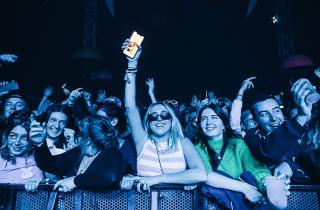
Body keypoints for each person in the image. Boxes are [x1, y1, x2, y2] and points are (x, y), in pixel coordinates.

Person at [120, 38, 207, 191]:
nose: (159, 119)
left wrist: (156, 179)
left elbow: (201, 174)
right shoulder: (143, 142)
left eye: (164, 115)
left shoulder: (183, 143)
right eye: (153, 116)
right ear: (148, 122)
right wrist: (132, 64)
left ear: (171, 120)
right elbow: (130, 107)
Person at [194, 103, 288, 209]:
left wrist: (268, 186)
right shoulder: (197, 147)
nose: (209, 122)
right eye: (203, 119)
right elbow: (205, 175)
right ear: (200, 127)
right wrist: (246, 188)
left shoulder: (237, 144)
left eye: (214, 117)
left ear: (223, 124)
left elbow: (256, 169)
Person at [30, 115, 126, 191]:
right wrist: (40, 144)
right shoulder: (79, 152)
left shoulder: (111, 153)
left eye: (80, 134)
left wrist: (75, 181)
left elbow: (110, 177)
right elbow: (50, 164)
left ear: (88, 138)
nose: (79, 138)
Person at [245, 78, 314, 184]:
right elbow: (269, 152)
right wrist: (301, 117)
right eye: (264, 114)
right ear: (255, 120)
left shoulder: (296, 133)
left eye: (276, 111)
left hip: (306, 194)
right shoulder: (251, 136)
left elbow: (308, 164)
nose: (273, 118)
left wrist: (290, 165)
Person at [0, 111, 44, 190]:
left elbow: (56, 181)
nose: (17, 143)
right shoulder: (1, 159)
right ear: (7, 136)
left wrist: (42, 182)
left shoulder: (41, 157)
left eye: (24, 138)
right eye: (13, 136)